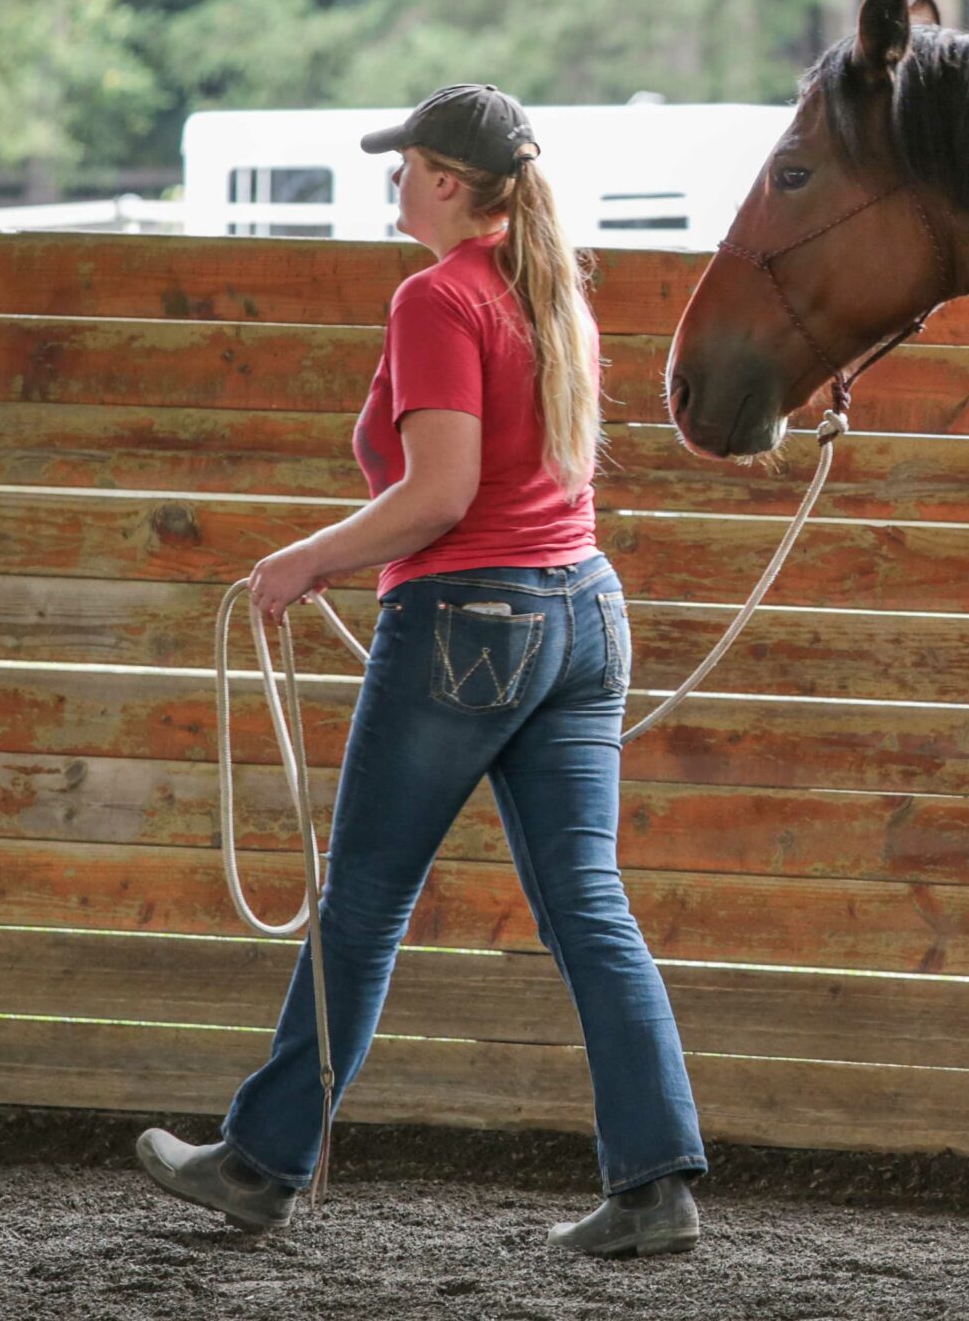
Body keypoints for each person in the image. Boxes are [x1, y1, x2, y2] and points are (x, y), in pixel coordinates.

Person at [134, 83, 706, 1257]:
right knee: (589, 906)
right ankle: (656, 1187)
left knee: (365, 904)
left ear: (448, 180)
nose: (392, 178)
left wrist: (303, 562)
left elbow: (440, 496)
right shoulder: (552, 296)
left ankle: (260, 1164)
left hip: (468, 628)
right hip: (583, 616)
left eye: (405, 163)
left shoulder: (438, 299)